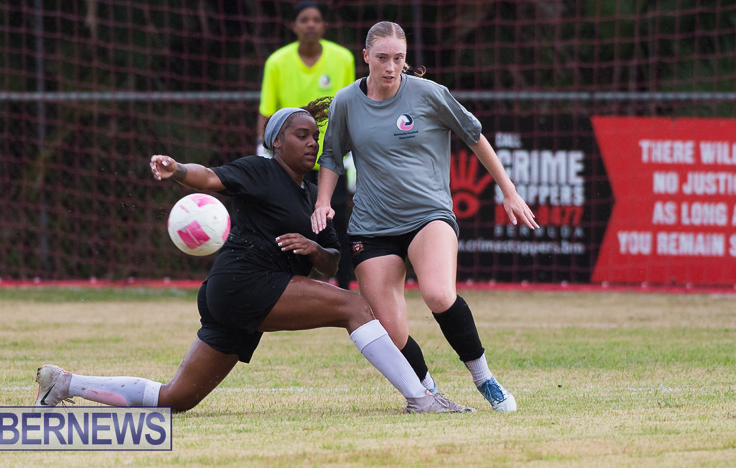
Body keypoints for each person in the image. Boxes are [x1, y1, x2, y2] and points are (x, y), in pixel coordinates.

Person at [35, 99, 471, 414]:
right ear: (276, 141)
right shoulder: (260, 170)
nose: (311, 144)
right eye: (301, 136)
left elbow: (332, 264)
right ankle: (421, 399)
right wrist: (178, 171)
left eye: (315, 137)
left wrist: (314, 248)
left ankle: (66, 383)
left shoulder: (314, 196)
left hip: (239, 296)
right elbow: (210, 178)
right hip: (244, 282)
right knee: (356, 307)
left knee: (176, 399)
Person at [310, 22, 539, 413]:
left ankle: (484, 378)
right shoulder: (347, 101)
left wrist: (509, 190)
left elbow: (474, 136)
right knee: (389, 327)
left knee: (437, 293)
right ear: (366, 57)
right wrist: (323, 202)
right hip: (371, 225)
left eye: (398, 58)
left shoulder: (430, 95)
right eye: (382, 58)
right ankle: (427, 388)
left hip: (428, 215)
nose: (391, 66)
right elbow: (332, 155)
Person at [258, 0, 355, 290]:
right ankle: (286, 282)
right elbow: (266, 111)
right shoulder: (276, 62)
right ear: (294, 25)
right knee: (286, 221)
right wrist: (265, 150)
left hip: (331, 158)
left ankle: (345, 284)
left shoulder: (342, 59)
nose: (310, 24)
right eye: (304, 19)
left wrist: (352, 152)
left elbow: (351, 106)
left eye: (316, 19)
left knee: (336, 221)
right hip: (288, 162)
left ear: (324, 25)